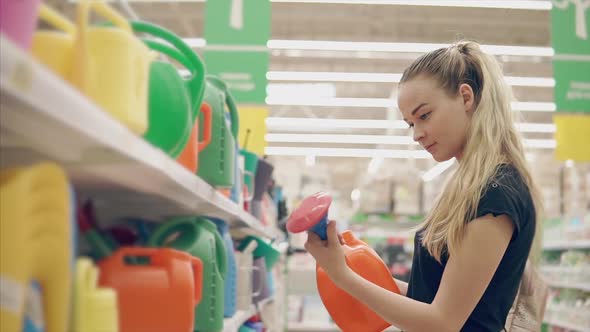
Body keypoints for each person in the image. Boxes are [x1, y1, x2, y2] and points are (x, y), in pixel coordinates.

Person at [304, 40, 544, 332]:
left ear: (466, 98)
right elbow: (430, 301)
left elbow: (443, 322)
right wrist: (360, 271)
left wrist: (344, 276)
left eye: (424, 115)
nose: (416, 134)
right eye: (410, 123)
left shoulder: (496, 193)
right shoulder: (468, 188)